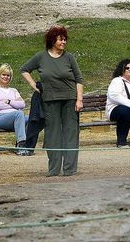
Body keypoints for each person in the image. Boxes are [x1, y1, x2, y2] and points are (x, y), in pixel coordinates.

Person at [20, 25, 84, 176]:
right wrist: (33, 84)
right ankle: (54, 169)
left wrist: (79, 99)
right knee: (52, 134)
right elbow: (24, 69)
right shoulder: (41, 56)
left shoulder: (69, 57)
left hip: (70, 100)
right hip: (49, 100)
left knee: (70, 133)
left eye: (65, 39)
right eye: (60, 39)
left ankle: (70, 169)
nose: (63, 42)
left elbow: (79, 79)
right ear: (52, 40)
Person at [0, 64, 31, 155]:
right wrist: (15, 104)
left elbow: (22, 104)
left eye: (8, 75)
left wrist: (9, 101)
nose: (6, 77)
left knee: (32, 118)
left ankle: (28, 145)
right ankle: (21, 145)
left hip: (16, 118)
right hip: (0, 118)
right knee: (19, 113)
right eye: (4, 74)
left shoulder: (14, 90)